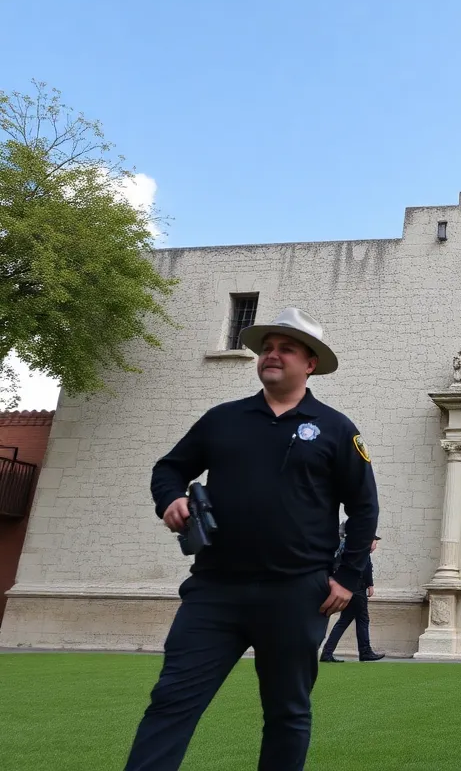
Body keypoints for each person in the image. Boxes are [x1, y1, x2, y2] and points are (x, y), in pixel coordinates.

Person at [124, 307, 379, 771]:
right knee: (171, 701)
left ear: (310, 364)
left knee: (287, 713)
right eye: (266, 348)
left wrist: (347, 576)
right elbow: (170, 467)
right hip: (214, 591)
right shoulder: (223, 419)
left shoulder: (336, 428)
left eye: (286, 349)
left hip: (297, 593)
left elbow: (364, 508)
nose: (272, 355)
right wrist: (169, 500)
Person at [320, 524, 384, 663]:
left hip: (349, 588)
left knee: (344, 621)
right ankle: (365, 651)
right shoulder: (362, 551)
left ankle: (327, 652)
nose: (375, 545)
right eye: (375, 542)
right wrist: (370, 585)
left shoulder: (351, 549)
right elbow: (365, 569)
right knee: (363, 619)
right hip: (357, 589)